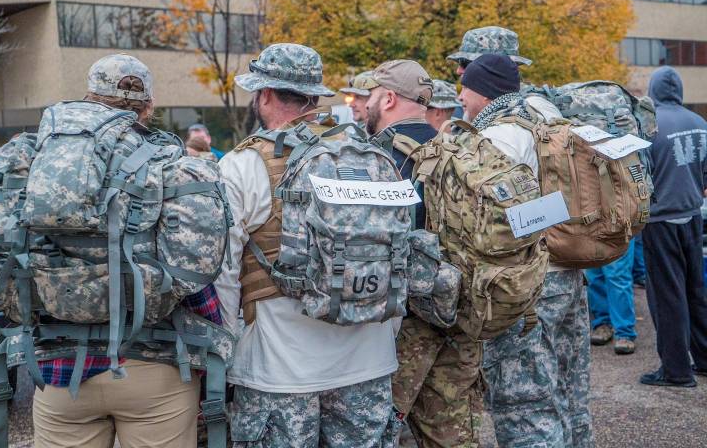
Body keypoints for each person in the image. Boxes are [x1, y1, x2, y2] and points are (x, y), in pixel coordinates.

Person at [30, 54, 225, 447]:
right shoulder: (167, 164)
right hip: (154, 369)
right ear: (148, 107)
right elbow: (195, 280)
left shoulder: (43, 160)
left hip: (59, 368)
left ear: (88, 98)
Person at [215, 43, 400, 447]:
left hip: (278, 368)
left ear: (264, 94)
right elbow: (396, 255)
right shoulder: (372, 157)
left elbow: (223, 273)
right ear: (314, 97)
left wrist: (225, 349)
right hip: (369, 362)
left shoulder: (242, 165)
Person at [457, 53, 593, 447]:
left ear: (484, 93)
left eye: (466, 88)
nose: (461, 96)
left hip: (529, 283)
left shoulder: (498, 137)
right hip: (568, 269)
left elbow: (495, 222)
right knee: (570, 390)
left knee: (524, 405)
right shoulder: (546, 114)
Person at [364, 59, 480, 447]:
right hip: (461, 310)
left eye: (371, 96)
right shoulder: (457, 149)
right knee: (452, 433)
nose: (367, 104)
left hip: (404, 326)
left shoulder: (378, 158)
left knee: (378, 431)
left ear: (389, 99)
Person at [640, 66, 707, 387]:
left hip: (659, 221)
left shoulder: (649, 126)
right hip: (693, 216)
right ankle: (704, 358)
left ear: (652, 89)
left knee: (667, 297)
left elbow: (639, 177)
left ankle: (676, 371)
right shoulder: (700, 123)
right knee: (696, 291)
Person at [585, 242, 638, 354]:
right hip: (589, 232)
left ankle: (624, 332)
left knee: (617, 275)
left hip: (617, 232)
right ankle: (602, 323)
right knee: (594, 275)